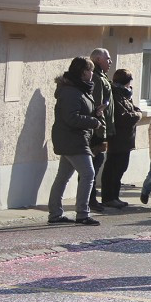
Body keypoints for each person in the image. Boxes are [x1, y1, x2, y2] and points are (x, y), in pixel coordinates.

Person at [47, 57, 102, 226]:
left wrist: (96, 114)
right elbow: (71, 118)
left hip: (74, 137)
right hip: (72, 138)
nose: (92, 73)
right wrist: (93, 121)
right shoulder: (71, 91)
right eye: (89, 70)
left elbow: (80, 112)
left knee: (63, 176)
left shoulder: (79, 89)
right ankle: (82, 213)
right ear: (81, 72)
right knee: (88, 174)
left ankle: (55, 213)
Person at [101, 68, 142, 208]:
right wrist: (138, 115)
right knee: (114, 169)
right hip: (118, 139)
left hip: (126, 139)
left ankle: (115, 196)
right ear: (125, 82)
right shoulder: (116, 95)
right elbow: (125, 117)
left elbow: (134, 109)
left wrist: (136, 112)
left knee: (120, 169)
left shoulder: (125, 95)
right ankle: (109, 197)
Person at [88, 48, 115, 213]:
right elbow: (98, 109)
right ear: (98, 60)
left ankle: (91, 199)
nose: (110, 62)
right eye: (108, 58)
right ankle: (89, 200)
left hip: (103, 129)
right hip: (97, 132)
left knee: (95, 166)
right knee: (92, 167)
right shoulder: (97, 79)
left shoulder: (102, 77)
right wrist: (101, 133)